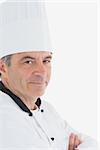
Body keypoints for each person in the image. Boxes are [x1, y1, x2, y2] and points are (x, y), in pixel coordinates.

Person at [0, 0, 98, 150]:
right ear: (3, 68)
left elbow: (92, 143)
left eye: (46, 60)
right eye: (28, 61)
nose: (41, 71)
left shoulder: (47, 109)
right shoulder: (4, 118)